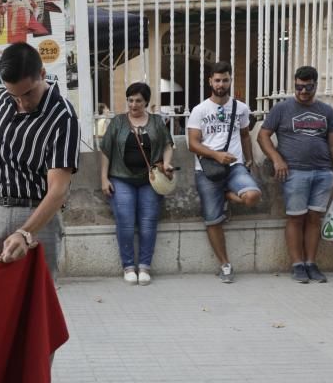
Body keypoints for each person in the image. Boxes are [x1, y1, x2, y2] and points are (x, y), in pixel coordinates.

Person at [0, 42, 79, 275]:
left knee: (36, 298)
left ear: (42, 74)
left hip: (36, 214)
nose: (22, 102)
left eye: (28, 92)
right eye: (14, 94)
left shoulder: (63, 117)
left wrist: (26, 232)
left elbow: (58, 190)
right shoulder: (2, 99)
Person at [258, 66, 333, 283]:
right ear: (294, 85)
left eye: (308, 87)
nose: (303, 91)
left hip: (323, 172)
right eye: (299, 87)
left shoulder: (326, 111)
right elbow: (263, 136)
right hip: (295, 172)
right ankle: (297, 264)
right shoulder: (282, 109)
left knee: (315, 218)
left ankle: (311, 263)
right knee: (296, 218)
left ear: (316, 85)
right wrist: (277, 159)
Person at [187, 62, 262, 283]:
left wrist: (249, 160)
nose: (221, 84)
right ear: (210, 81)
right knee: (212, 220)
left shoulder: (240, 108)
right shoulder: (200, 110)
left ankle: (227, 196)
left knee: (252, 195)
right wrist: (216, 155)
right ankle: (225, 264)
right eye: (217, 80)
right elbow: (192, 143)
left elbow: (246, 135)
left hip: (235, 166)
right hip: (207, 170)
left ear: (230, 81)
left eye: (225, 80)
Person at [100, 82, 174, 285]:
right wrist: (104, 178)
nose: (134, 104)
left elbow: (168, 145)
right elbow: (106, 152)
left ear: (146, 102)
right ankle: (128, 266)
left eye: (138, 100)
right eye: (130, 100)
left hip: (150, 180)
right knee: (125, 221)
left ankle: (144, 267)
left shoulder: (157, 122)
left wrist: (167, 163)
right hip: (121, 178)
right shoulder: (117, 122)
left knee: (148, 223)